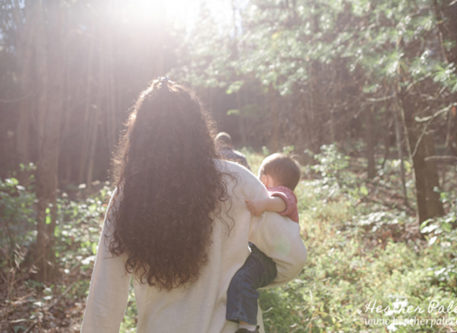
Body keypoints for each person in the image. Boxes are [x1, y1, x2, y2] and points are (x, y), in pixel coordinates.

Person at [82, 78, 307, 333]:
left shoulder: (129, 195)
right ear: (198, 129)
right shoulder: (237, 181)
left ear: (140, 134)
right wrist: (244, 280)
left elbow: (104, 299)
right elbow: (293, 257)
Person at [228, 153, 302, 333]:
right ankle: (241, 318)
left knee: (242, 280)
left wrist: (263, 204)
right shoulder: (270, 198)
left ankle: (248, 327)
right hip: (268, 254)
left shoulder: (282, 195)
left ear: (265, 178)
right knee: (239, 278)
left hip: (274, 258)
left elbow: (284, 202)